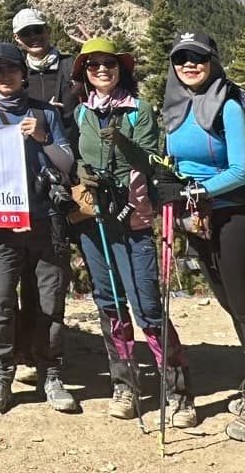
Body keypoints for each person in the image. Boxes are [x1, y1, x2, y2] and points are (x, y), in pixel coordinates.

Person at [160, 31, 245, 442]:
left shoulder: (228, 106)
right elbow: (176, 160)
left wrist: (193, 191)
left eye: (198, 57)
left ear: (213, 61)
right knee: (230, 304)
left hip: (235, 217)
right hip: (199, 220)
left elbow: (240, 171)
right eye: (181, 58)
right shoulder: (177, 108)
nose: (189, 65)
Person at [70, 38, 197, 427]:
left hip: (134, 219)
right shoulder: (80, 114)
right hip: (95, 223)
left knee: (146, 305)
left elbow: (147, 157)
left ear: (122, 69)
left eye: (110, 63)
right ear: (85, 74)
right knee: (110, 302)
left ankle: (177, 389)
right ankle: (124, 383)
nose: (102, 70)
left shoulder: (140, 110)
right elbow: (76, 158)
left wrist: (122, 145)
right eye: (93, 66)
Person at [0, 42, 78, 414]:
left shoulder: (45, 114)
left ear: (23, 73)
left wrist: (43, 139)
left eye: (11, 68)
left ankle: (51, 373)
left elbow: (66, 164)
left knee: (50, 304)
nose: (5, 76)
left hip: (47, 222)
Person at [9, 7, 82, 386]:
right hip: (22, 185)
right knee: (20, 274)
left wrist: (55, 122)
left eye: (39, 30)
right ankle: (25, 348)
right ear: (18, 39)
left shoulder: (71, 69)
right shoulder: (12, 74)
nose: (34, 37)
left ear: (48, 31)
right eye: (27, 34)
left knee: (51, 274)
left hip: (66, 176)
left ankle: (48, 350)